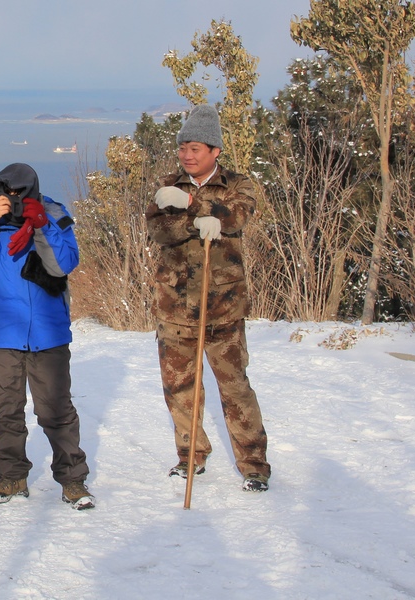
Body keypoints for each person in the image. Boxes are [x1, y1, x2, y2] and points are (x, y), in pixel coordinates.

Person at [0, 162, 95, 510]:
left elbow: (63, 264)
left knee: (57, 410)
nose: (12, 199)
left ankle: (72, 480)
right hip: (0, 331)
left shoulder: (55, 213)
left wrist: (40, 225)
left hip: (48, 330)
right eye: (6, 193)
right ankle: (11, 476)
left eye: (18, 194)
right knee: (5, 410)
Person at [145, 103, 271, 492]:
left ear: (215, 151)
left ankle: (253, 464)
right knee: (180, 388)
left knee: (234, 387)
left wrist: (194, 206)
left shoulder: (238, 184)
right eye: (183, 147)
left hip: (224, 307)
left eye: (195, 148)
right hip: (174, 306)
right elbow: (160, 230)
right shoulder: (169, 185)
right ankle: (190, 455)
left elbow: (237, 216)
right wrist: (192, 216)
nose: (186, 155)